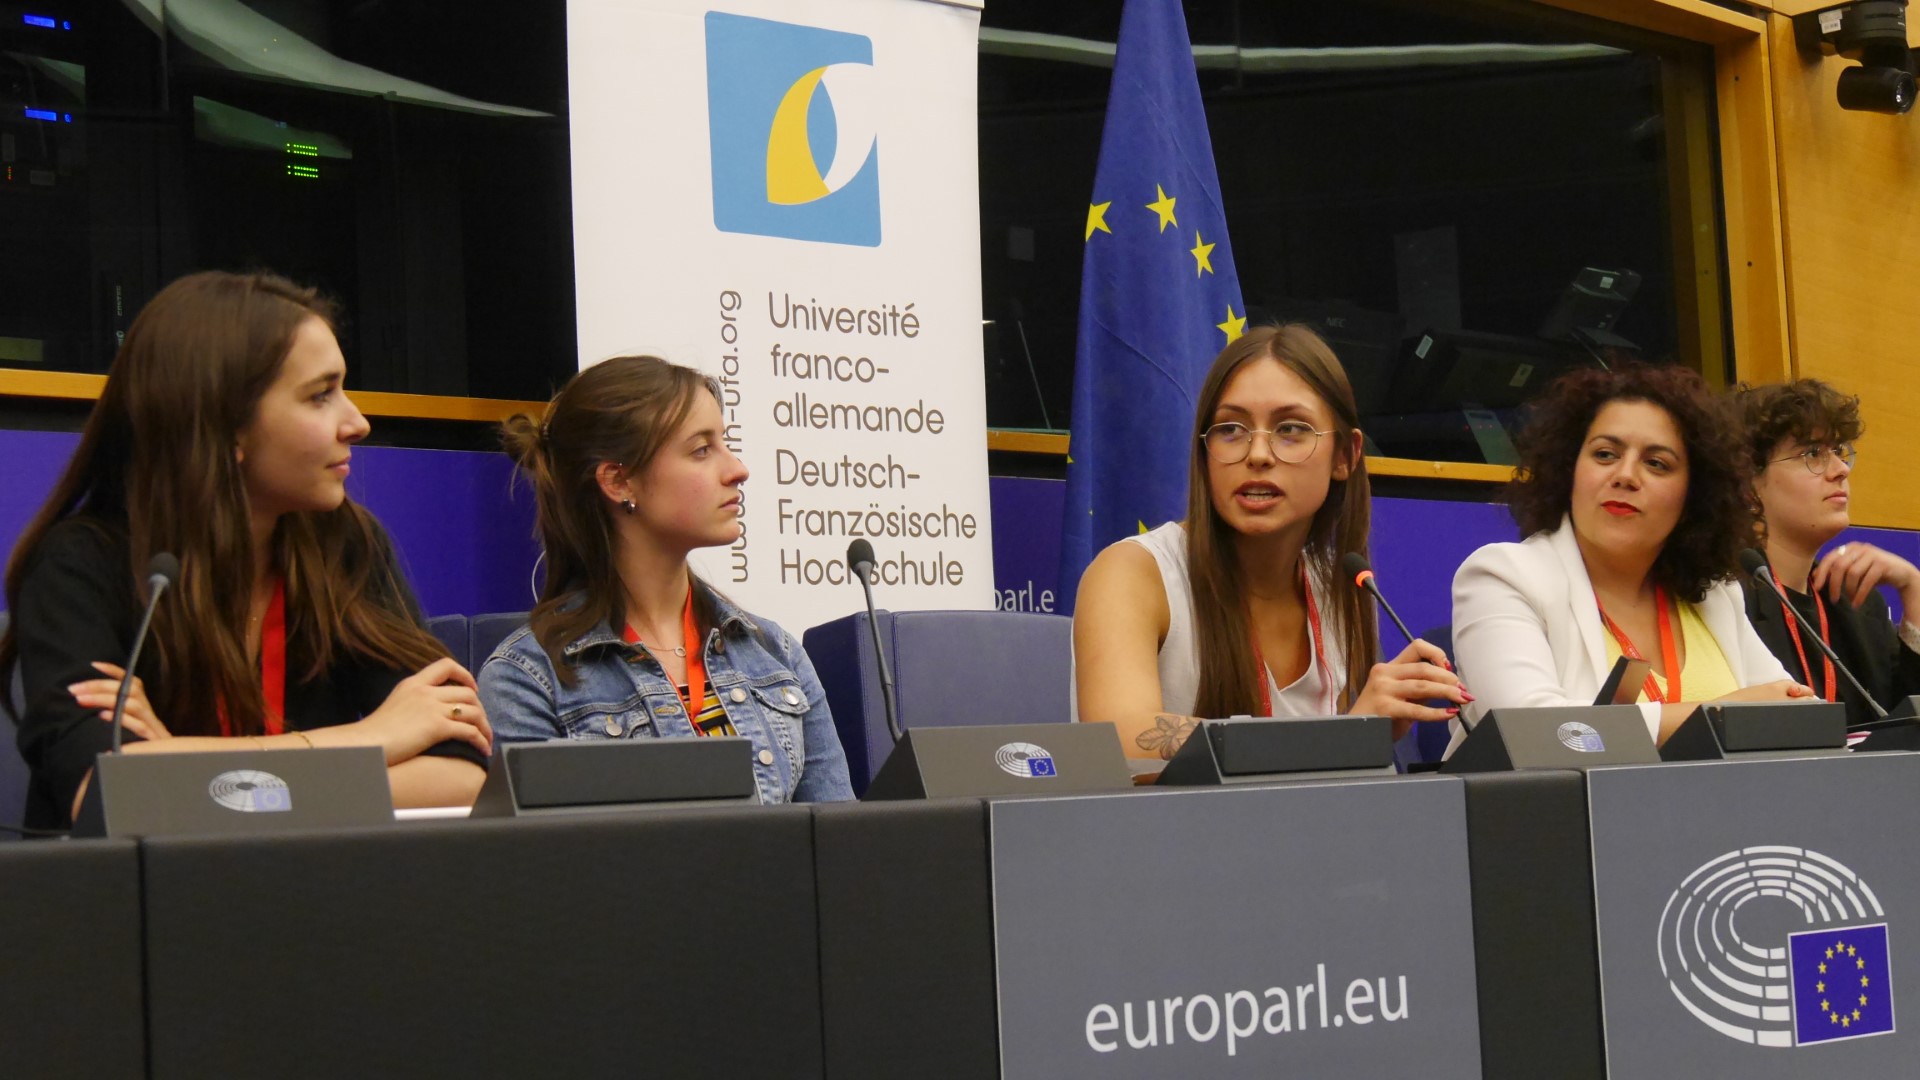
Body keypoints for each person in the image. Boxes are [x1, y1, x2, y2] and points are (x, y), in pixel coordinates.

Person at [3, 271, 493, 829]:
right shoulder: (79, 564)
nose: (357, 423)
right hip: (138, 885)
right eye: (321, 395)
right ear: (227, 427)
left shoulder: (345, 544)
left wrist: (186, 769)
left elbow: (461, 778)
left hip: (310, 879)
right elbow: (103, 797)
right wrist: (367, 739)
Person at [1073, 324, 1465, 762]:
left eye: (1290, 429)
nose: (1257, 454)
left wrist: (1359, 736)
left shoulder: (1340, 586)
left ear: (1344, 456)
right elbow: (1122, 739)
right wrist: (1345, 737)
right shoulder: (1132, 573)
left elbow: (1318, 786)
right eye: (1230, 429)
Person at [478, 355, 852, 804]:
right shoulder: (525, 680)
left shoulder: (775, 653)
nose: (737, 469)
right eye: (701, 450)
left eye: (726, 443)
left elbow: (838, 838)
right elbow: (547, 848)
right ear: (619, 482)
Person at [1447, 363, 1810, 753]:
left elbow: (1794, 712)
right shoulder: (1503, 577)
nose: (1625, 475)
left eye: (1656, 463)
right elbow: (1533, 734)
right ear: (1570, 469)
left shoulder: (1715, 596)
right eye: (1605, 454)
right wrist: (1723, 714)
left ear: (1695, 493)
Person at [1732, 379, 1920, 723]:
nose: (1841, 470)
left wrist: (1914, 589)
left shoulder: (1859, 604)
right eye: (1813, 454)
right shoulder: (1726, 600)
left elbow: (1907, 725)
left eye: (1838, 452)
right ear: (1748, 485)